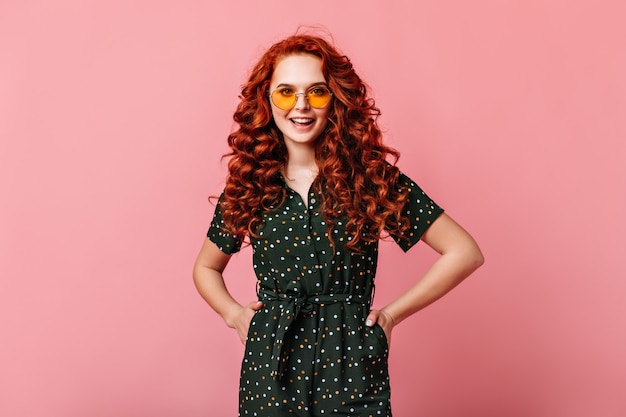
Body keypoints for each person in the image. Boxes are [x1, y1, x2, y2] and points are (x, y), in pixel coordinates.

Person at [193, 33, 484, 417]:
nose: (301, 106)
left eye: (316, 92)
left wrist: (392, 315)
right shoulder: (251, 183)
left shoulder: (370, 179)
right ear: (266, 100)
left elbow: (464, 252)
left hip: (351, 358)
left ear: (336, 99)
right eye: (286, 92)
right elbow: (205, 267)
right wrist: (233, 314)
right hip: (271, 361)